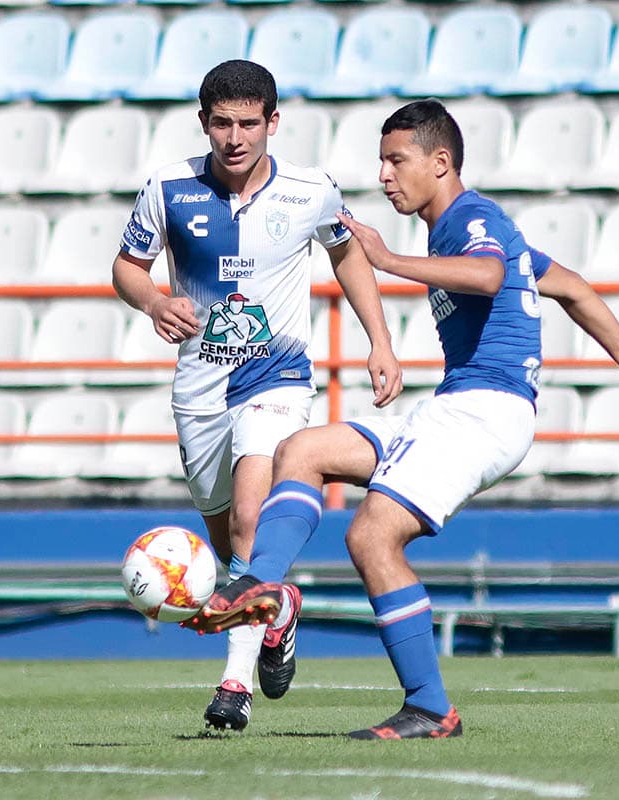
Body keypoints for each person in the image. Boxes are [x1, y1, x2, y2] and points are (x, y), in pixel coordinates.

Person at [183, 99, 619, 738]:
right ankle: (262, 588)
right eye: (381, 161)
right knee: (303, 451)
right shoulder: (464, 228)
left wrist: (387, 261)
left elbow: (486, 275)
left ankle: (429, 707)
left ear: (440, 161)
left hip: (487, 413)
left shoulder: (472, 219)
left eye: (396, 160)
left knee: (372, 536)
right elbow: (567, 284)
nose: (384, 175)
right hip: (454, 407)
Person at [112, 60, 403, 732]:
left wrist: (380, 340)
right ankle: (277, 614)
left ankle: (233, 687)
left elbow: (347, 255)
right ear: (204, 122)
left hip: (275, 381)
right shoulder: (168, 187)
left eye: (249, 123)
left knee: (250, 520)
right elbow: (128, 267)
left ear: (273, 122)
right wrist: (154, 299)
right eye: (222, 123)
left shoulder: (312, 191)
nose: (235, 137)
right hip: (200, 391)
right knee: (225, 554)